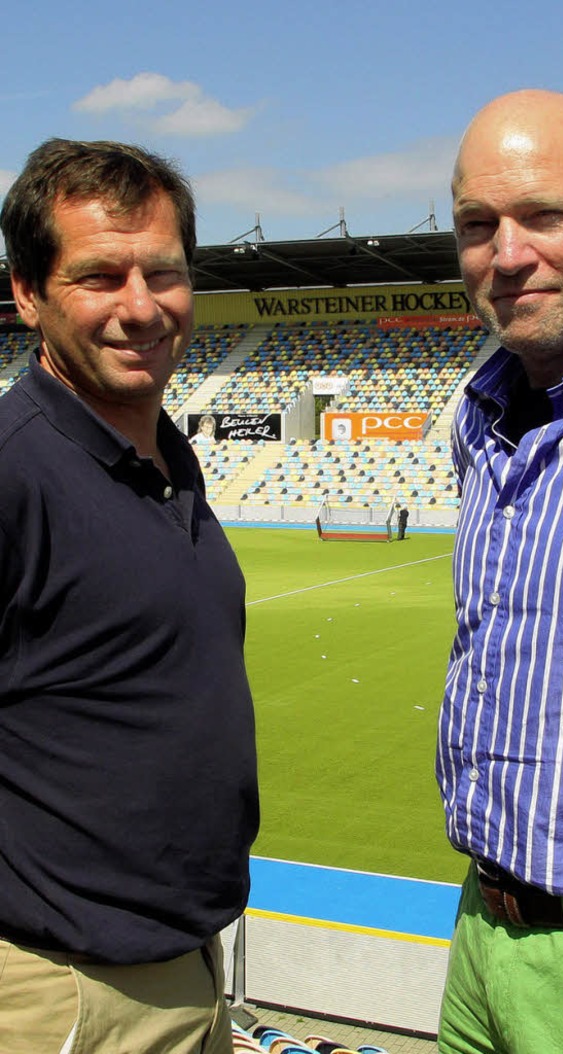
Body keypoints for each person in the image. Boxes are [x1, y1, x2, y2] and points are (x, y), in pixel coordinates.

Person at [0, 139, 259, 1053]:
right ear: (28, 292)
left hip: (185, 972)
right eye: (101, 276)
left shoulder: (166, 455)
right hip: (66, 995)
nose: (141, 307)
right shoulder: (13, 470)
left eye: (164, 272)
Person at [436, 89, 563, 1053]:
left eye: (545, 215)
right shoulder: (480, 420)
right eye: (480, 224)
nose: (508, 254)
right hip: (481, 931)